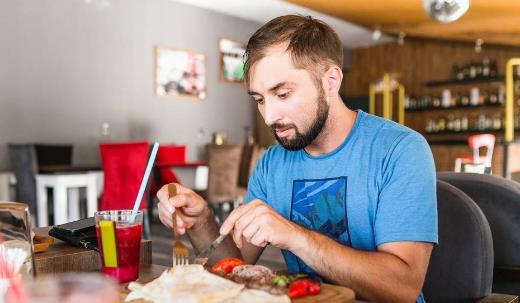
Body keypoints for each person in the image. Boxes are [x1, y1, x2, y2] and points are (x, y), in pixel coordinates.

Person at [157, 15, 437, 303]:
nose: (269, 116)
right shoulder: (271, 164)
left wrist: (295, 235)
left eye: (282, 93)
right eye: (260, 99)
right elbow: (235, 268)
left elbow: (402, 288)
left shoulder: (399, 150)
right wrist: (201, 220)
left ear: (330, 81)